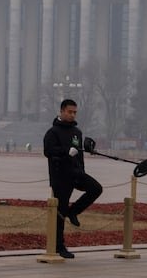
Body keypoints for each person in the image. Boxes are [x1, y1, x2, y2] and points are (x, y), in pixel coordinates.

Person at [43, 99, 103, 259]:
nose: (72, 115)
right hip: (60, 176)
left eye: (74, 112)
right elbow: (48, 151)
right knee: (59, 212)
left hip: (76, 173)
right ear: (62, 111)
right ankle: (58, 247)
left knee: (96, 188)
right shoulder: (53, 132)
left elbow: (79, 153)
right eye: (69, 112)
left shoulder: (77, 132)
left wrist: (82, 169)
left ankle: (74, 211)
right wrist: (64, 152)